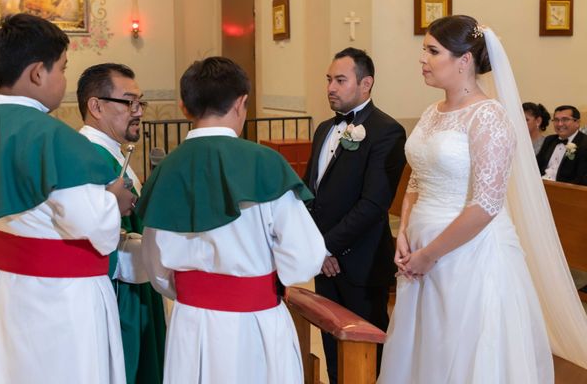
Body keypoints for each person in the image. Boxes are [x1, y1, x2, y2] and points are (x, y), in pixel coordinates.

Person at [0, 13, 134, 383]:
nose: (64, 79)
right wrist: (114, 201)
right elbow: (95, 227)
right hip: (58, 297)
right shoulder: (51, 135)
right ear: (37, 73)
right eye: (62, 69)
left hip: (5, 284)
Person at [378, 15, 554, 383]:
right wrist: (405, 232)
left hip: (467, 255)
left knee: (459, 353)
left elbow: (486, 205)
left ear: (464, 60)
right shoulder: (431, 113)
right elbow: (417, 178)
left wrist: (429, 254)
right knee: (422, 350)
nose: (422, 59)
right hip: (420, 250)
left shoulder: (489, 116)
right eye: (423, 50)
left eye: (432, 51)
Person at [138, 56, 325, 384]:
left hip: (190, 323)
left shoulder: (165, 171)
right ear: (242, 103)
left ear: (184, 107)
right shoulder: (265, 164)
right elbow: (305, 256)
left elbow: (156, 268)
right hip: (254, 321)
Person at [303, 47, 406, 382]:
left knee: (367, 356)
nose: (331, 87)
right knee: (333, 350)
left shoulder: (386, 131)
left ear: (366, 84)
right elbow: (310, 194)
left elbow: (373, 205)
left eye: (340, 80)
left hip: (361, 264)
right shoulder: (322, 129)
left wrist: (326, 247)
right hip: (325, 263)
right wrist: (317, 248)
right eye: (329, 80)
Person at [77, 63, 165, 384]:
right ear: (96, 106)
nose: (138, 111)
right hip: (119, 291)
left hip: (135, 282)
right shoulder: (89, 156)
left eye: (141, 102)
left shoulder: (111, 152)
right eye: (129, 102)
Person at [536, 105, 587, 185]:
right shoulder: (549, 140)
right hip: (541, 186)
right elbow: (536, 165)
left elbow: (582, 179)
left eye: (565, 119)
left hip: (565, 191)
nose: (559, 124)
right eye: (556, 120)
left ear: (577, 123)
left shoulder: (584, 143)